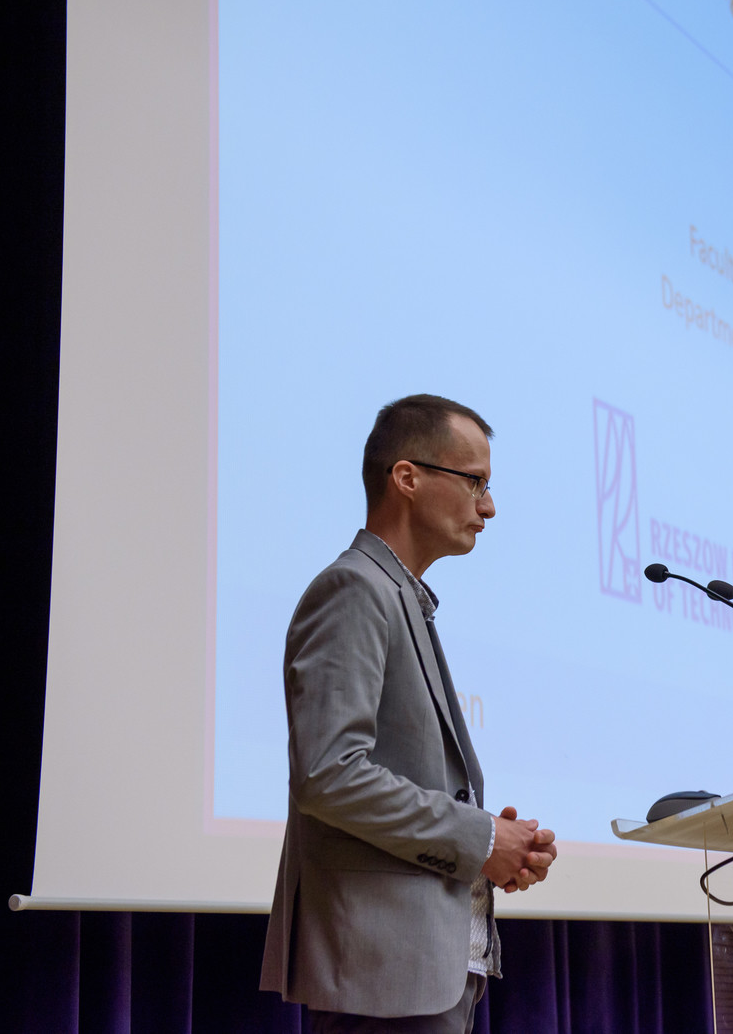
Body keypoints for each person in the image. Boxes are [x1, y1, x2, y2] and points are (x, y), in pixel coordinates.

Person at [261, 394, 557, 1033]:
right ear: (407, 477)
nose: (488, 505)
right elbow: (329, 774)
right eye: (475, 481)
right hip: (383, 978)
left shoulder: (400, 596)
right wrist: (481, 839)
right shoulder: (354, 589)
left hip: (424, 974)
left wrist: (494, 843)